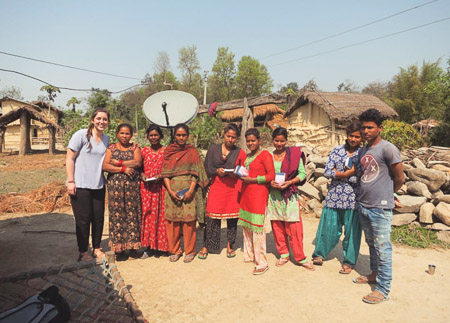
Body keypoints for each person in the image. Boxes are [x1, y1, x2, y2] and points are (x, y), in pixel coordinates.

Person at [353, 108, 404, 305]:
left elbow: (399, 178)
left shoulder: (388, 149)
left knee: (383, 248)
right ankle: (374, 274)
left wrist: (388, 196)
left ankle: (383, 289)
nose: (366, 131)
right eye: (363, 127)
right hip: (364, 205)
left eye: (370, 127)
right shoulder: (364, 150)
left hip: (380, 208)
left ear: (379, 128)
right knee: (372, 245)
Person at [312, 123, 363, 274]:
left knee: (352, 232)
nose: (353, 139)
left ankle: (349, 261)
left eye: (357, 137)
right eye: (351, 136)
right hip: (334, 195)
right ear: (346, 135)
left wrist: (338, 173)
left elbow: (364, 175)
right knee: (328, 228)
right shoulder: (337, 150)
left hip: (353, 198)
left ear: (361, 138)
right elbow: (327, 172)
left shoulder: (363, 154)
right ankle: (319, 254)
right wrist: (348, 174)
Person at [66, 108, 110, 262]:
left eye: (104, 119)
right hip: (81, 185)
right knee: (83, 219)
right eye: (98, 118)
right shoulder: (81, 135)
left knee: (98, 218)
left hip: (98, 185)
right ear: (92, 120)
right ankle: (83, 251)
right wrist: (71, 181)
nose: (101, 122)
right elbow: (70, 158)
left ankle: (97, 248)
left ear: (108, 122)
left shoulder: (106, 139)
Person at [268, 127, 315, 270]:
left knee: (294, 228)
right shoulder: (269, 156)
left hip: (290, 196)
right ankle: (284, 254)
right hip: (274, 196)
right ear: (273, 140)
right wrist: (270, 182)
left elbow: (301, 174)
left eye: (282, 141)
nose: (279, 144)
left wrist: (289, 182)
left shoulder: (293, 155)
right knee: (277, 226)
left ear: (286, 141)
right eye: (276, 140)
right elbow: (265, 173)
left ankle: (300, 257)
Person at [161, 123, 208, 263]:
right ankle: (175, 250)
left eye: (184, 135)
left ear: (188, 136)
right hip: (172, 192)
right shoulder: (169, 151)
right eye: (178, 135)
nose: (181, 138)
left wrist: (191, 190)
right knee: (173, 222)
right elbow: (165, 174)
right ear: (174, 136)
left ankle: (190, 251)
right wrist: (170, 191)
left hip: (189, 192)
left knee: (189, 222)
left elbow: (197, 173)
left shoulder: (192, 151)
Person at [198, 123, 246, 260]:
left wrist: (234, 173)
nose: (230, 140)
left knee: (232, 219)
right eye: (228, 136)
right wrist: (216, 171)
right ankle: (206, 246)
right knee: (212, 218)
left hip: (232, 189)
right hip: (216, 187)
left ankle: (230, 245)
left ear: (237, 138)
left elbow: (244, 171)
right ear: (223, 135)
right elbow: (206, 167)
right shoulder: (213, 149)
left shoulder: (239, 152)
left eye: (233, 137)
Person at [237, 128, 275, 275]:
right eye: (248, 141)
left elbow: (271, 175)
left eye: (253, 140)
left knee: (258, 228)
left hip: (258, 195)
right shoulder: (247, 157)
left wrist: (253, 180)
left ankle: (262, 262)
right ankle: (250, 255)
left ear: (259, 140)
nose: (250, 143)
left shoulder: (265, 155)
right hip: (246, 195)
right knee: (247, 227)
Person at [102, 123, 142, 261]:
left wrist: (117, 162)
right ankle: (118, 248)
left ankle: (132, 248)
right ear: (117, 134)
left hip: (132, 186)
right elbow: (105, 165)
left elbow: (137, 163)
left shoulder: (135, 147)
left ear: (131, 135)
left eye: (127, 133)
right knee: (117, 214)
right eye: (122, 133)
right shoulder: (111, 148)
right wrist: (123, 169)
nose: (124, 136)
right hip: (115, 187)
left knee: (132, 213)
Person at [140, 124, 169, 257]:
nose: (153, 137)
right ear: (147, 137)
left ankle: (162, 246)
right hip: (147, 189)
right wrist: (143, 176)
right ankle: (149, 247)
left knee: (161, 216)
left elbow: (170, 168)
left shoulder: (166, 151)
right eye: (151, 135)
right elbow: (139, 168)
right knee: (148, 216)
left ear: (161, 136)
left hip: (161, 188)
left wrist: (161, 176)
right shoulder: (143, 151)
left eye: (156, 135)